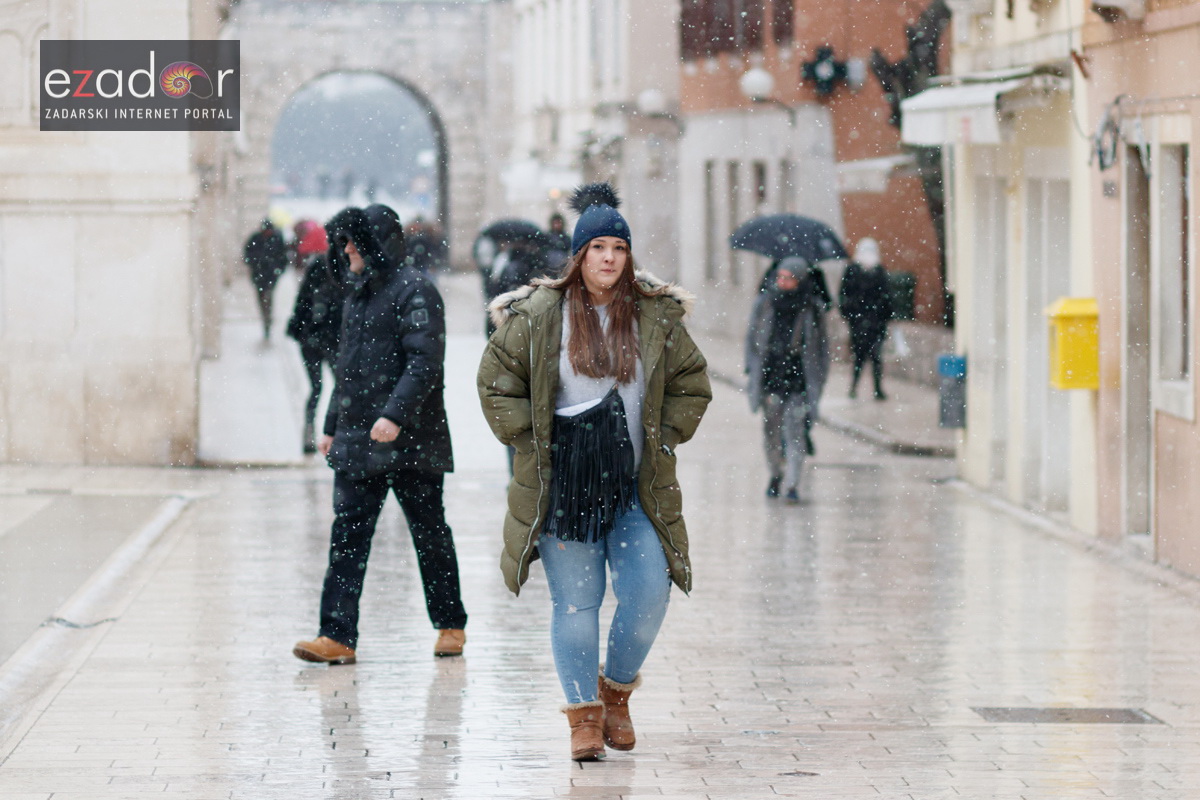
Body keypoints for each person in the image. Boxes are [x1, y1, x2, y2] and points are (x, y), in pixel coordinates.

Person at [477, 183, 711, 762]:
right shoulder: (537, 316)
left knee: (648, 593)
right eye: (597, 246)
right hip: (566, 490)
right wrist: (535, 442)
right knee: (576, 605)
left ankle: (616, 691)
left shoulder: (654, 316)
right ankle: (584, 718)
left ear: (629, 256)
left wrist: (662, 437)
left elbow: (691, 384)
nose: (609, 257)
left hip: (635, 489)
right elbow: (495, 382)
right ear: (579, 254)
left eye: (619, 247)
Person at [293, 203, 468, 666]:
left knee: (429, 534)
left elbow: (425, 361)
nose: (346, 248)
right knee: (347, 536)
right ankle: (336, 635)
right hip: (357, 439)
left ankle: (451, 624)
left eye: (354, 240)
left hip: (412, 440)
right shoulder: (357, 294)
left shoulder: (417, 291)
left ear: (375, 243)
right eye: (343, 240)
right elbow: (347, 367)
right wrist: (332, 425)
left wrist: (395, 415)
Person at [745, 256, 831, 504]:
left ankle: (792, 483)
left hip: (799, 380)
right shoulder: (765, 304)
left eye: (788, 278)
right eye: (779, 277)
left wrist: (819, 376)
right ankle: (775, 474)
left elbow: (823, 348)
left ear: (800, 280)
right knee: (771, 431)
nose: (782, 282)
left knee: (795, 432)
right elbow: (752, 339)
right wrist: (752, 368)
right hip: (772, 376)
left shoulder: (812, 308)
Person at [286, 252, 344, 453]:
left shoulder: (313, 279)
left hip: (311, 339)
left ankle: (310, 431)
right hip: (329, 340)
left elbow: (299, 308)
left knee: (316, 387)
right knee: (339, 386)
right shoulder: (343, 282)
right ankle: (332, 431)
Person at [839, 237, 893, 400]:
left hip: (874, 322)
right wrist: (851, 313)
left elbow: (887, 297)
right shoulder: (853, 271)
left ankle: (876, 388)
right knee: (860, 357)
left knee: (874, 357)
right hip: (860, 322)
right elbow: (844, 295)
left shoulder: (878, 271)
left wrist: (884, 315)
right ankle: (855, 387)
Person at [242, 219, 288, 341]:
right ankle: (266, 318)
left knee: (268, 297)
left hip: (271, 275)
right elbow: (247, 254)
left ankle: (268, 319)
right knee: (261, 297)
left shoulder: (277, 239)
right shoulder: (256, 239)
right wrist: (255, 263)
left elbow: (283, 257)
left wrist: (277, 269)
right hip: (259, 275)